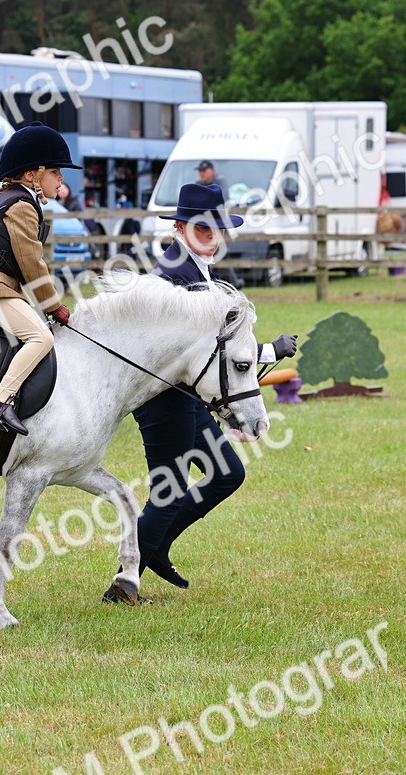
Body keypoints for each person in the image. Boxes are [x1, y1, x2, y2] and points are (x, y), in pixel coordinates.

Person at [103, 183, 298, 603]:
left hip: (189, 397)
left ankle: (152, 549)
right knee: (169, 491)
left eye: (219, 230)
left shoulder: (198, 271)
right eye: (205, 230)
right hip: (165, 399)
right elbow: (207, 350)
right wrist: (269, 351)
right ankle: (125, 581)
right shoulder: (175, 277)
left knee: (228, 473)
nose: (215, 238)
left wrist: (265, 350)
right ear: (179, 228)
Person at [0, 121, 79, 435]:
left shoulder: (11, 199)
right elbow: (32, 264)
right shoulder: (21, 205)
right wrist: (53, 306)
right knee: (41, 337)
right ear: (31, 175)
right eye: (55, 171)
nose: (61, 178)